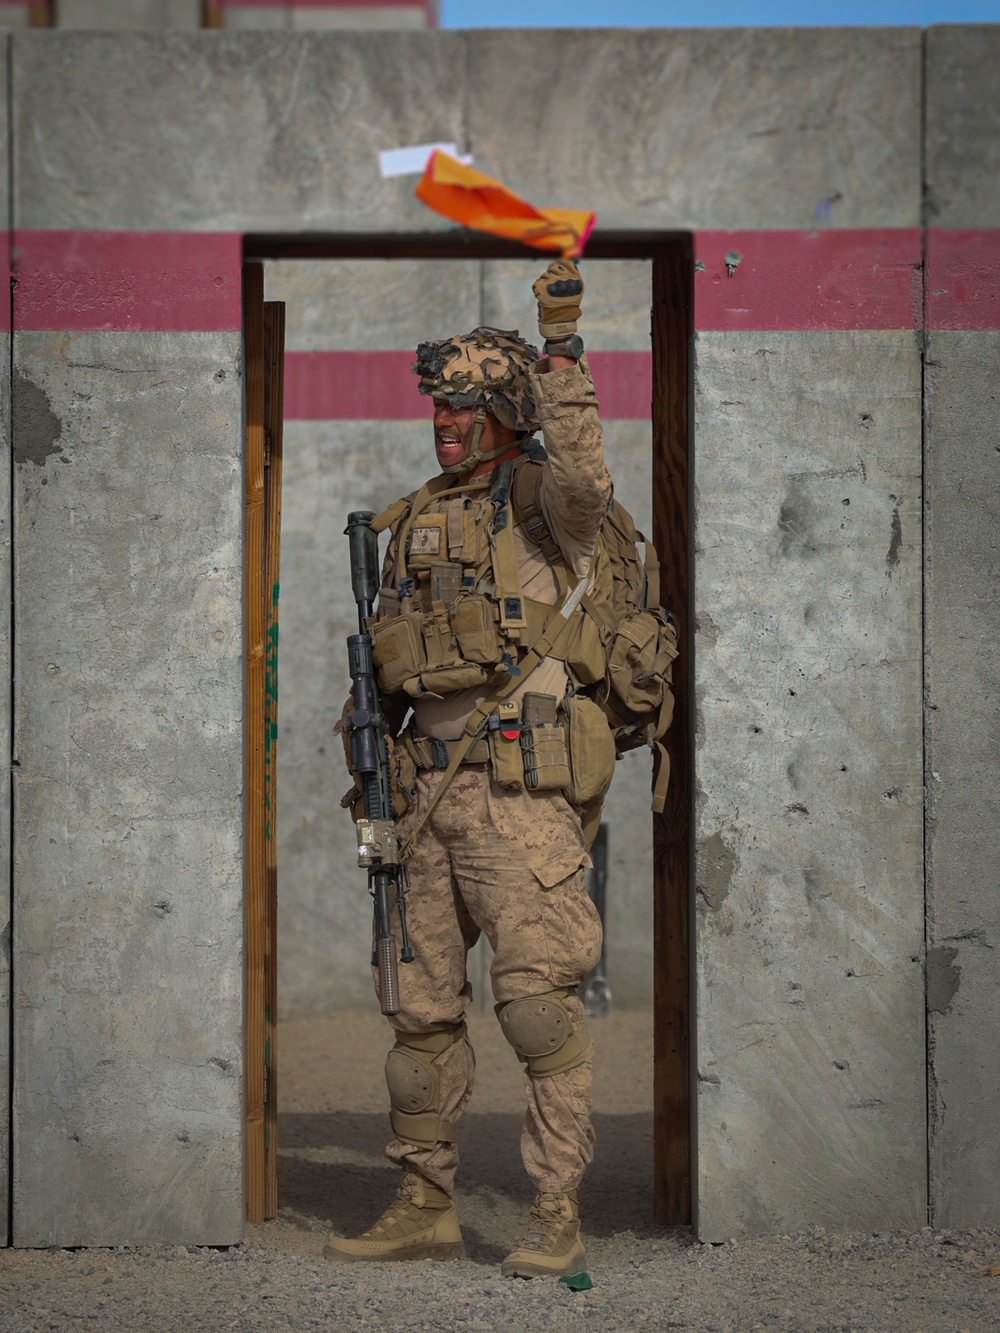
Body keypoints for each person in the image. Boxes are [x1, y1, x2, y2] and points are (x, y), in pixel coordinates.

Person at [325, 259, 616, 1278]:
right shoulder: (408, 520)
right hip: (422, 795)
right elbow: (384, 665)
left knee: (538, 1009)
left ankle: (554, 1217)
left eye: (462, 405)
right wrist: (370, 781)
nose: (443, 420)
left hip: (517, 798)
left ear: (501, 410)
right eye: (437, 404)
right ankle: (423, 1200)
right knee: (418, 1014)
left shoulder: (545, 505)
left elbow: (586, 470)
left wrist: (563, 344)